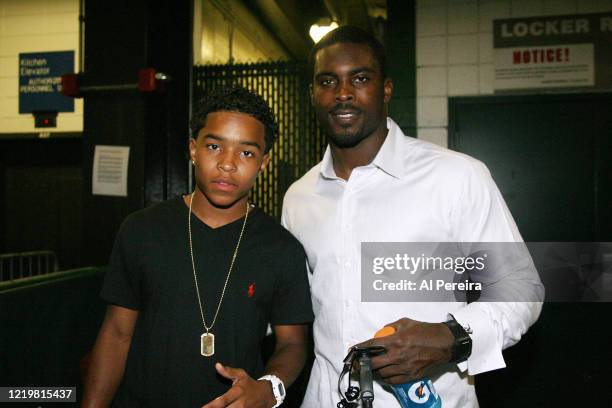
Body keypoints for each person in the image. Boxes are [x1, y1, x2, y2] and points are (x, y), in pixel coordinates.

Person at [281, 26, 544, 407]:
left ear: (385, 89)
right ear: (312, 94)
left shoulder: (456, 177)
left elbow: (521, 290)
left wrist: (451, 339)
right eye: (327, 81)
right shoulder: (298, 198)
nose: (342, 93)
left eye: (360, 78)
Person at [83, 86, 313, 408]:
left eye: (246, 152)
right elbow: (117, 334)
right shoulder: (141, 230)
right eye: (215, 146)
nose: (227, 164)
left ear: (264, 162)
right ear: (193, 149)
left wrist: (268, 388)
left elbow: (293, 344)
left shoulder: (281, 248)